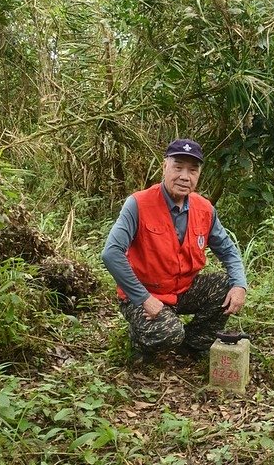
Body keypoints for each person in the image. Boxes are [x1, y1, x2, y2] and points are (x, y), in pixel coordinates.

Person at [102, 138, 247, 363]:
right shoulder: (138, 204)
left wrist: (240, 285)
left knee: (227, 286)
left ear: (199, 174)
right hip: (144, 294)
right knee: (169, 334)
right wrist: (144, 299)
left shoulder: (204, 208)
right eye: (178, 167)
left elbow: (228, 250)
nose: (184, 176)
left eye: (192, 170)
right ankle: (140, 339)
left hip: (183, 289)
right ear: (165, 167)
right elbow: (111, 253)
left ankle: (192, 345)